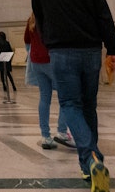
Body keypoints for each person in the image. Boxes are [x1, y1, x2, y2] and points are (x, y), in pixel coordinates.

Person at [31, 0, 115, 192]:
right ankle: (87, 165)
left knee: (70, 104)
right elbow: (104, 16)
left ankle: (91, 158)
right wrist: (112, 49)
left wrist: (50, 42)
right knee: (88, 105)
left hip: (60, 52)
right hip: (91, 51)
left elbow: (39, 18)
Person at [25, 14, 74, 150]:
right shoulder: (51, 16)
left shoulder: (31, 19)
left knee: (44, 98)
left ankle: (45, 136)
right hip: (51, 59)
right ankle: (62, 131)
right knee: (66, 95)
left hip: (36, 61)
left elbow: (27, 42)